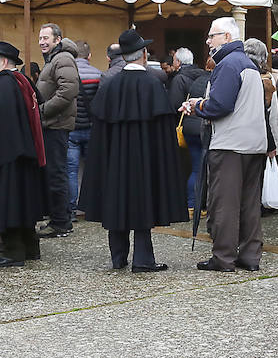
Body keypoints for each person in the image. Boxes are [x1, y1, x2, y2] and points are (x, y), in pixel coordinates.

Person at [80, 30, 187, 272]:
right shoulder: (154, 85)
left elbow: (99, 133)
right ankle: (143, 259)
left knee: (116, 201)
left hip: (114, 161)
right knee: (143, 202)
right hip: (146, 162)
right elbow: (163, 134)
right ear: (144, 55)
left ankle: (118, 258)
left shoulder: (109, 85)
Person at [182, 17, 267, 273]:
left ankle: (224, 257)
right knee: (249, 204)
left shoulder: (228, 64)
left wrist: (196, 106)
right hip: (254, 143)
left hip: (230, 144)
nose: (208, 41)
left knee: (224, 203)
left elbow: (220, 105)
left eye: (212, 36)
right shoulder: (248, 64)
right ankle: (250, 256)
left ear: (227, 38)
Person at [0, 42, 48, 267]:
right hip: (24, 154)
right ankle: (30, 247)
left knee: (9, 204)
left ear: (4, 62)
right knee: (23, 203)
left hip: (7, 156)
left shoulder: (4, 85)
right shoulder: (22, 81)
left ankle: (14, 251)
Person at [35, 23, 80, 238]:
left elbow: (68, 91)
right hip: (52, 124)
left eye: (46, 38)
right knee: (54, 172)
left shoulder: (62, 59)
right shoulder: (55, 59)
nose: (42, 41)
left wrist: (41, 111)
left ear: (57, 39)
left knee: (57, 173)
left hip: (56, 124)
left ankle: (61, 222)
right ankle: (58, 219)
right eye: (40, 38)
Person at [67, 40, 102, 221]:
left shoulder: (69, 74)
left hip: (72, 128)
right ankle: (92, 207)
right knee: (92, 169)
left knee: (71, 170)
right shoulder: (98, 74)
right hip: (91, 128)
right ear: (89, 55)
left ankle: (71, 209)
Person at [167, 48, 206, 210]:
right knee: (201, 166)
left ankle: (191, 204)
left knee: (191, 167)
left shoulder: (179, 79)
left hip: (186, 127)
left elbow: (175, 105)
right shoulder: (202, 76)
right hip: (203, 125)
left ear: (178, 62)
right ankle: (202, 203)